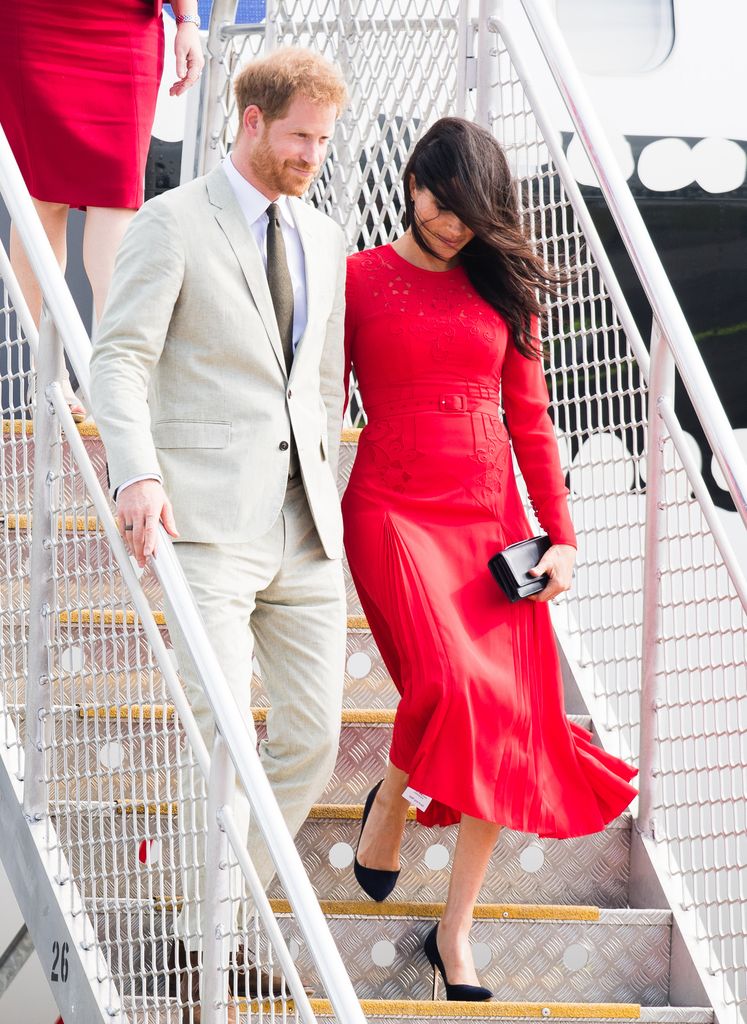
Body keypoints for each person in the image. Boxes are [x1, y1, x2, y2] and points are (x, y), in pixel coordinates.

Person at [342, 117, 637, 1001]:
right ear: (411, 182)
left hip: (488, 519)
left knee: (503, 721)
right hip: (391, 507)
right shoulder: (356, 279)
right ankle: (390, 799)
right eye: (443, 206)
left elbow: (531, 421)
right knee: (449, 688)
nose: (453, 226)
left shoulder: (503, 291)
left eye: (472, 214)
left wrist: (564, 536)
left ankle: (455, 932)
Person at [89, 47, 349, 1022]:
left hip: (303, 527)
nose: (310, 158)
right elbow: (119, 359)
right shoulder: (169, 224)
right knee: (223, 737)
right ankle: (211, 939)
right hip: (202, 517)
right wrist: (137, 472)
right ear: (249, 121)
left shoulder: (323, 236)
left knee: (311, 743)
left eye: (322, 142)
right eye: (297, 138)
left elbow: (318, 384)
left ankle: (214, 900)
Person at [0, 0, 204, 419]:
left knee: (118, 198)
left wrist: (187, 20)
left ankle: (110, 377)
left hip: (124, 24)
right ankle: (47, 372)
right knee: (40, 198)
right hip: (32, 20)